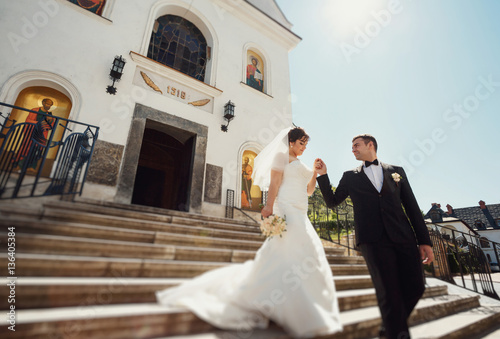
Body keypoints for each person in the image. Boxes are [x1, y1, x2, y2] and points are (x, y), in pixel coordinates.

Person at [156, 127, 342, 338]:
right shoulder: (281, 156)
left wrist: (315, 174)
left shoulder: (302, 164)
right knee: (293, 248)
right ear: (291, 142)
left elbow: (308, 191)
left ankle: (301, 301)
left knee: (305, 251)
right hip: (287, 208)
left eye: (306, 145)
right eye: (301, 143)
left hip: (301, 211)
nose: (304, 148)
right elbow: (275, 183)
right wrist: (269, 206)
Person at [314, 134, 434, 339]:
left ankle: (389, 327)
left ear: (371, 145)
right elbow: (333, 201)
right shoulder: (349, 176)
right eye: (352, 146)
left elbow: (412, 207)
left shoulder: (396, 172)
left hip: (403, 236)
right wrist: (322, 176)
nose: (353, 149)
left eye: (356, 145)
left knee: (416, 286)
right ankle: (397, 333)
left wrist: (424, 240)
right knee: (388, 292)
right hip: (372, 239)